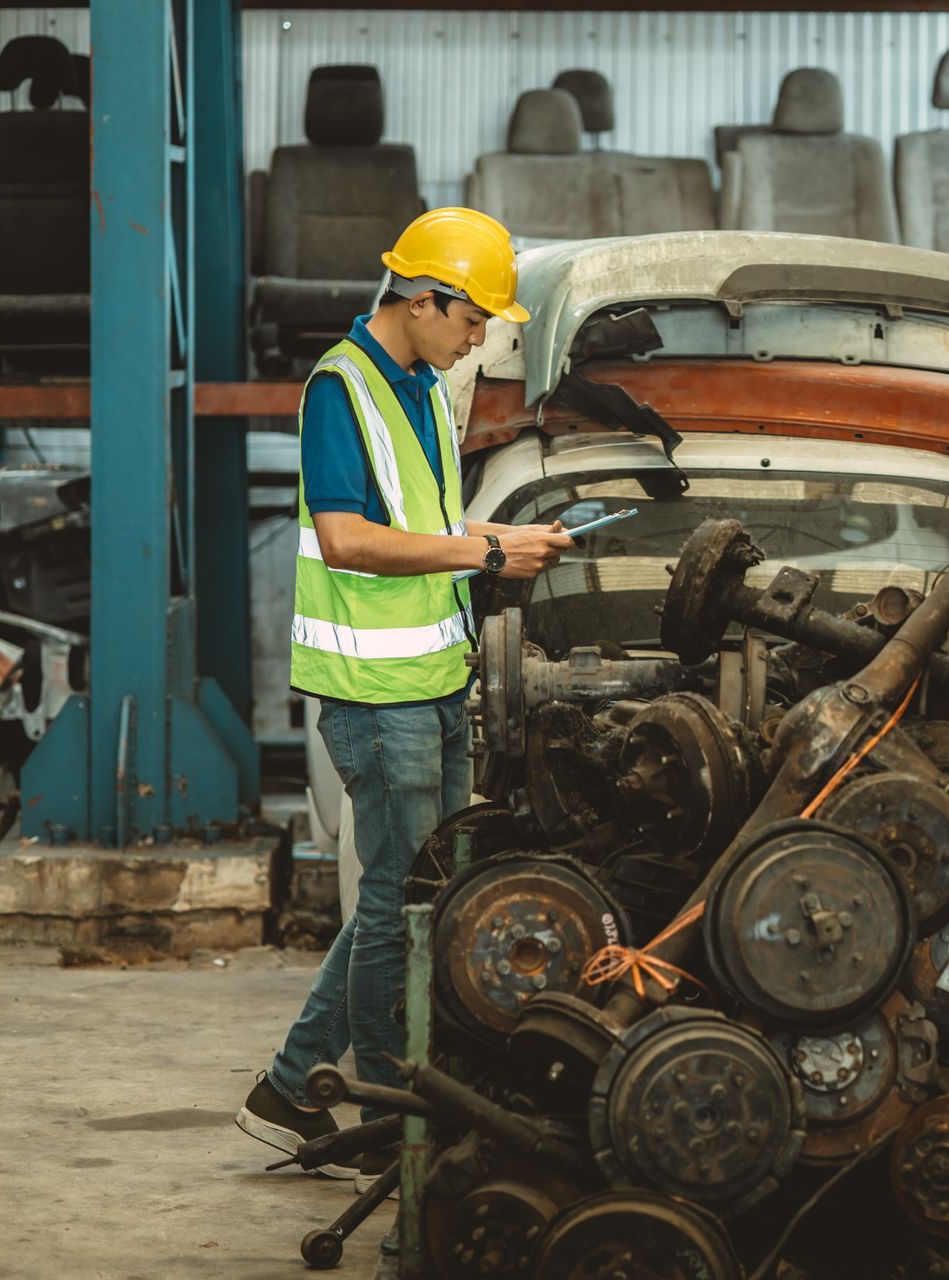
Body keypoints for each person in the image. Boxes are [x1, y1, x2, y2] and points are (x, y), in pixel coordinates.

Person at [234, 208, 570, 1188]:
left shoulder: (424, 385)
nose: (482, 340)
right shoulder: (341, 389)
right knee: (396, 897)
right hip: (374, 692)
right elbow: (346, 538)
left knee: (416, 891)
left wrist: (493, 545)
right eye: (474, 321)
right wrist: (490, 548)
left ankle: (297, 1081)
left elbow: (427, 523)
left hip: (431, 678)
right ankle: (387, 1103)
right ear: (425, 300)